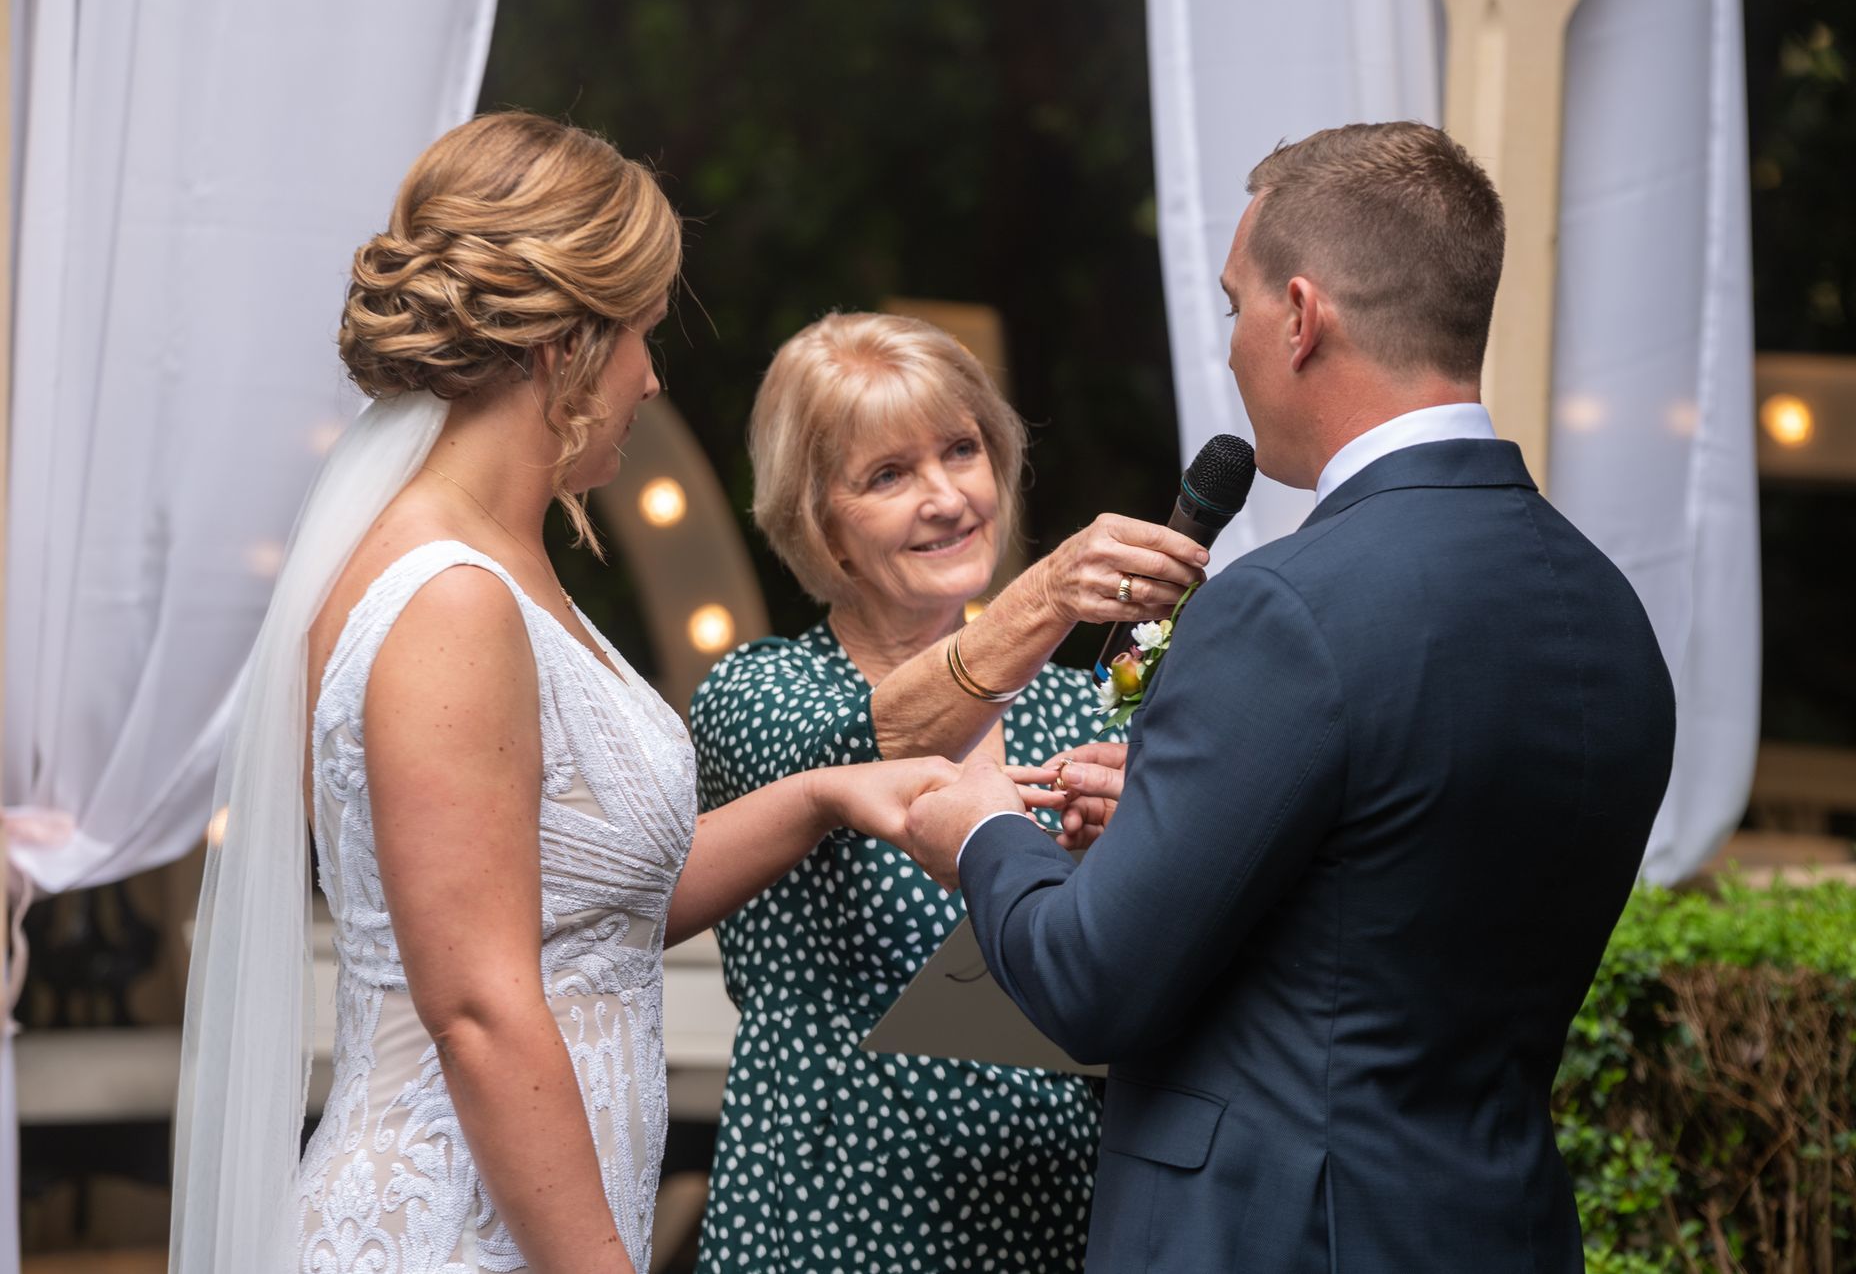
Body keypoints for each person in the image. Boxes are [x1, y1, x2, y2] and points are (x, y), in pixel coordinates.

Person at [171, 114, 957, 1274]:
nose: (651, 377)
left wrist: (824, 796)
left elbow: (582, 907)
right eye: (642, 333)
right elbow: (479, 1009)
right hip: (453, 1234)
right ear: (564, 346)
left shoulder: (501, 561)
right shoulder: (449, 598)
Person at [899, 121, 1678, 1273]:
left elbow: (1090, 980)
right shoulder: (1608, 610)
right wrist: (1171, 815)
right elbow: (1398, 879)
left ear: (1302, 316)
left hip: (1273, 1235)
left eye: (1236, 307)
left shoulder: (1284, 608)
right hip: (1498, 1227)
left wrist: (983, 832)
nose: (1231, 348)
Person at [687, 311, 1210, 1272]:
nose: (946, 496)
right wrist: (1048, 593)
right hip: (838, 1217)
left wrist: (1130, 853)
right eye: (888, 474)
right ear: (821, 523)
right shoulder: (759, 691)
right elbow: (866, 744)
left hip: (1059, 1211)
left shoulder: (1083, 705)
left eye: (962, 450)